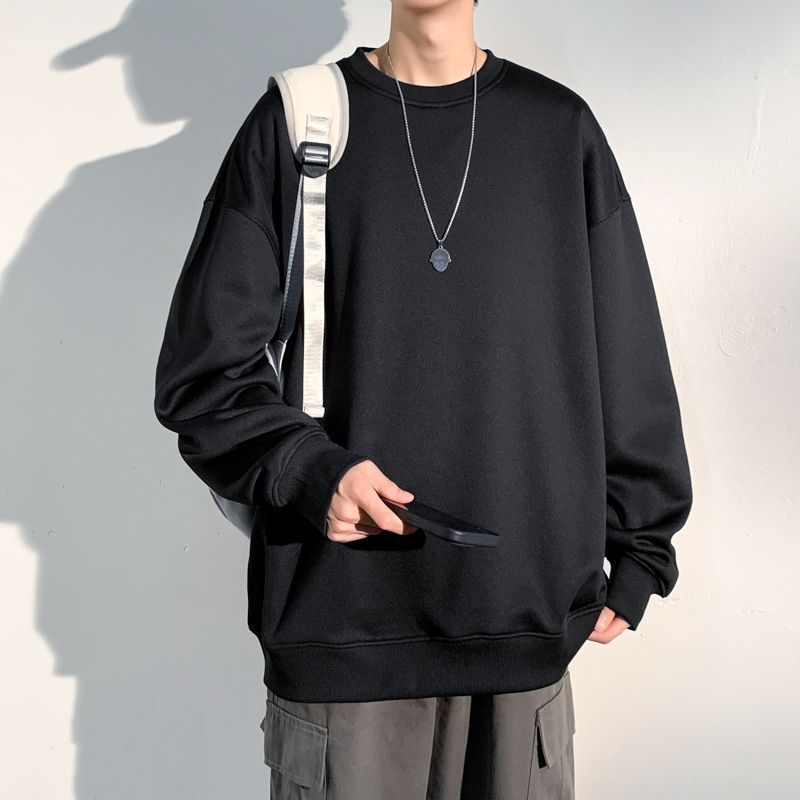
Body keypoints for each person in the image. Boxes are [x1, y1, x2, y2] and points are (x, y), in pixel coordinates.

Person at [153, 1, 693, 797]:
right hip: (340, 634)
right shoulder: (296, 125)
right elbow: (203, 373)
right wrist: (309, 469)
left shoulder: (559, 131)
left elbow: (628, 349)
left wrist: (642, 543)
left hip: (522, 631)